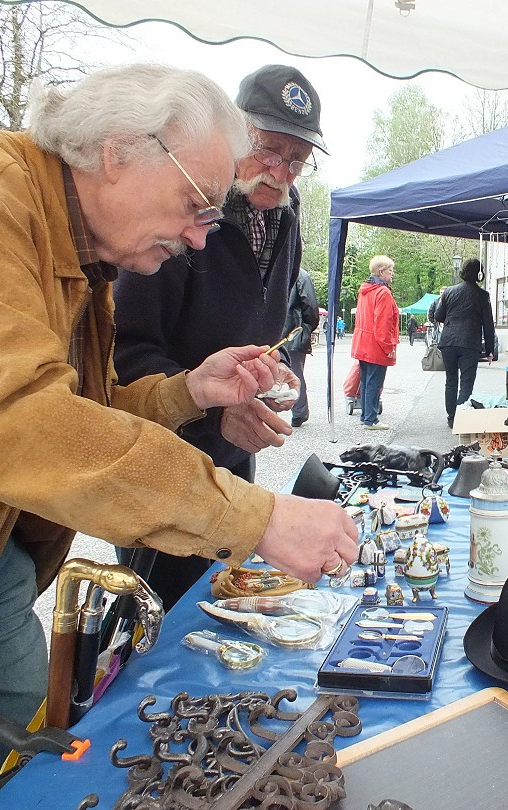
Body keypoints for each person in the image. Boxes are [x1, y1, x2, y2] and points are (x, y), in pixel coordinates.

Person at [0, 64, 358, 809]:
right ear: (118, 151)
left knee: (48, 773)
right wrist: (256, 517)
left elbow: (84, 406)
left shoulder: (82, 246)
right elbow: (23, 423)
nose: (194, 235)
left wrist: (189, 392)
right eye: (192, 204)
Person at [113, 64, 328, 608]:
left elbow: (266, 319)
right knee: (158, 621)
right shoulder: (181, 208)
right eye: (267, 150)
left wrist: (274, 369)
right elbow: (126, 351)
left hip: (235, 451)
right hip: (164, 461)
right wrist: (211, 409)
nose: (280, 172)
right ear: (234, 133)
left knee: (226, 599)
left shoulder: (287, 215)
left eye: (297, 160)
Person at [431, 259, 495, 428]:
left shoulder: (449, 292)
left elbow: (438, 316)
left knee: (450, 380)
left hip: (448, 342)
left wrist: (453, 320)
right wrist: (490, 350)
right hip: (469, 343)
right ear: (479, 274)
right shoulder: (483, 295)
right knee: (467, 381)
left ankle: (452, 417)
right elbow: (488, 324)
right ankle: (461, 416)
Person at [352, 255, 399, 430]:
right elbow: (383, 323)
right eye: (390, 270)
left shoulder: (365, 289)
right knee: (374, 382)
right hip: (376, 345)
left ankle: (366, 416)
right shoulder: (383, 292)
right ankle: (371, 419)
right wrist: (389, 347)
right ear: (381, 271)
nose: (392, 274)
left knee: (365, 381)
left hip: (363, 343)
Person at [284, 268, 320, 428]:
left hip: (273, 331)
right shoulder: (301, 275)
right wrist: (308, 328)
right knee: (296, 374)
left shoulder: (273, 269)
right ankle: (299, 413)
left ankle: (269, 413)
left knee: (268, 373)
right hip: (293, 330)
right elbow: (311, 306)